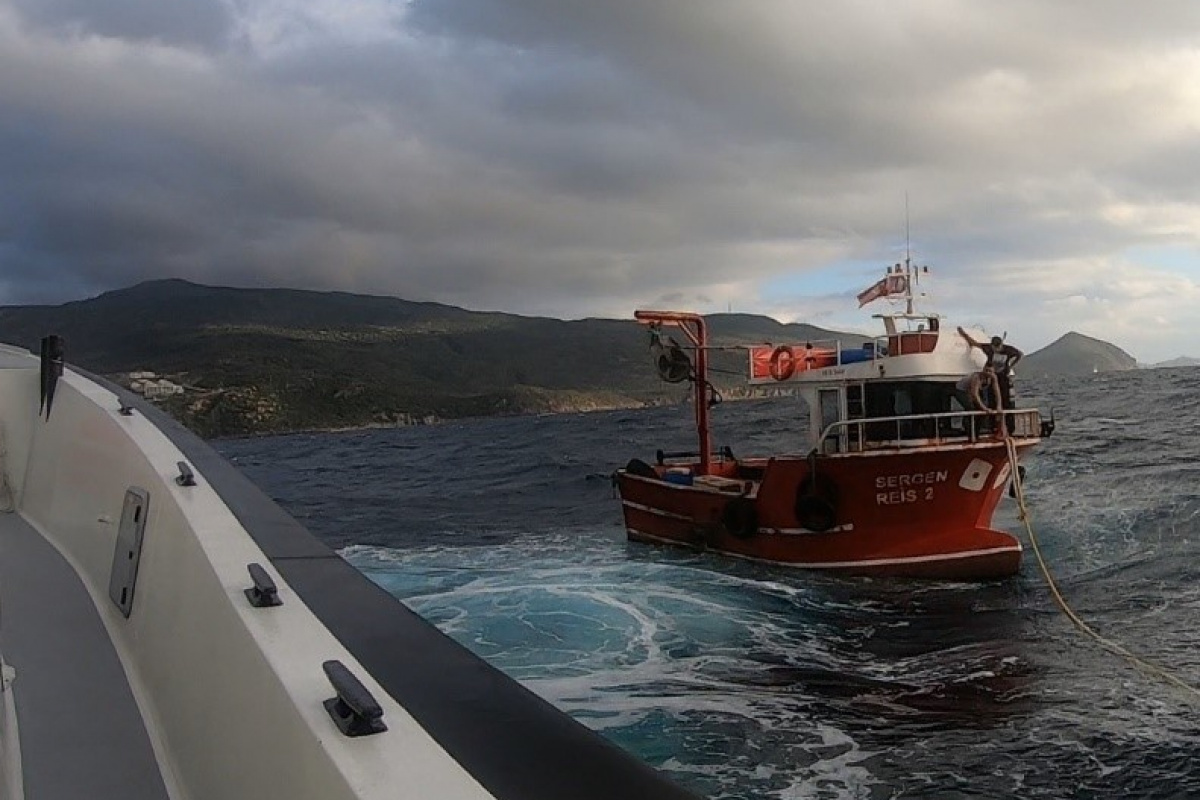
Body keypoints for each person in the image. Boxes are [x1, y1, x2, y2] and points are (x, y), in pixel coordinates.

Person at [957, 326, 1022, 414]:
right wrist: (963, 333)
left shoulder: (1009, 350)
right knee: (991, 398)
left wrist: (1010, 366)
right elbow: (975, 343)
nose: (995, 350)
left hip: (1002, 375)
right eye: (994, 348)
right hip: (991, 374)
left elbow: (1020, 354)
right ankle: (991, 418)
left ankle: (1006, 420)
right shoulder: (989, 349)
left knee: (1005, 399)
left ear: (1001, 345)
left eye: (997, 348)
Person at [953, 366, 1002, 436]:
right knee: (970, 407)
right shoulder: (977, 377)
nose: (988, 373)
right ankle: (967, 429)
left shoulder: (994, 377)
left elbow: (997, 392)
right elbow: (975, 395)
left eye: (990, 371)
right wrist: (985, 409)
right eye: (986, 371)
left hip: (974, 390)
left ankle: (978, 430)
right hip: (961, 390)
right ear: (983, 370)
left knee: (983, 407)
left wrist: (999, 406)